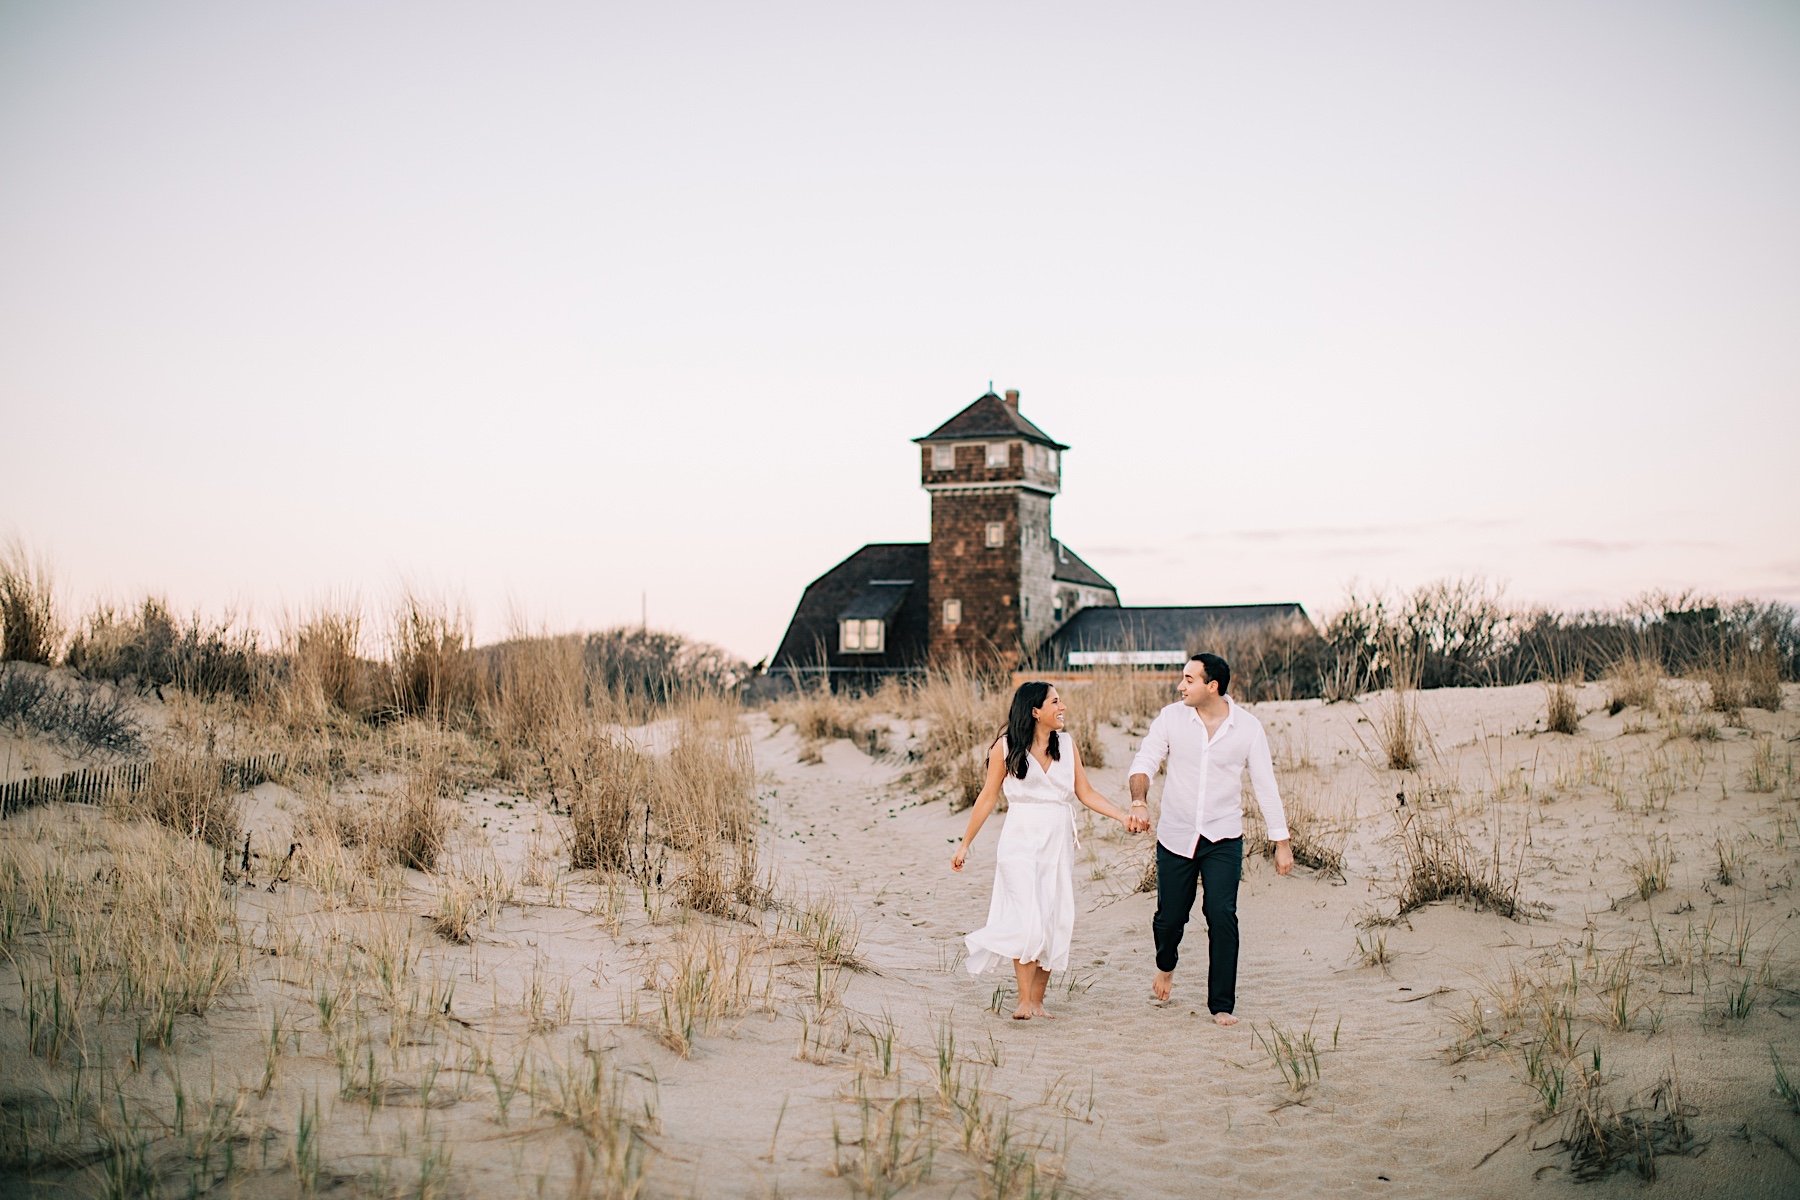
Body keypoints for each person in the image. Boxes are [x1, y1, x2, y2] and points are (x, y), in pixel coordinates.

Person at [952, 681, 1146, 1019]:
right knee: (1026, 917)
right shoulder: (1005, 747)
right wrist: (966, 843)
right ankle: (1023, 1001)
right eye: (1055, 701)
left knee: (1053, 919)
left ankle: (1038, 1002)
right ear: (1035, 710)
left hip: (1057, 844)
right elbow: (986, 797)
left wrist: (1121, 815)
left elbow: (1085, 792)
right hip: (1019, 841)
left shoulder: (1067, 745)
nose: (1063, 707)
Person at [1127, 652, 1292, 1026]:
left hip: (1223, 836)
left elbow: (1265, 785)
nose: (1180, 685)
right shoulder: (1171, 717)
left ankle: (1221, 1005)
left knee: (1221, 915)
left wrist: (1281, 842)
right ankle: (1165, 965)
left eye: (1189, 679)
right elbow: (1145, 761)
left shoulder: (1248, 728)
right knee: (1169, 920)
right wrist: (1138, 800)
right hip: (1176, 834)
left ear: (1212, 686)